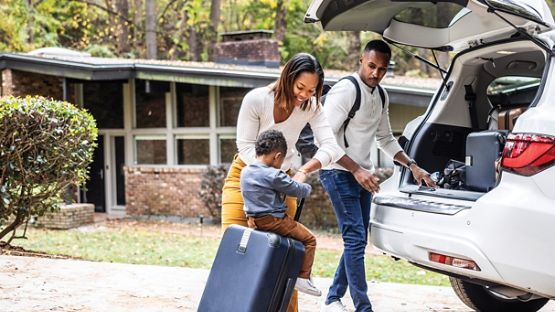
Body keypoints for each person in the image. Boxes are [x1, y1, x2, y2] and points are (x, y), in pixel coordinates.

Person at [221, 52, 347, 312]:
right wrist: (266, 175)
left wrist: (304, 171)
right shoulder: (256, 99)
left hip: (282, 182)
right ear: (288, 76)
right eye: (301, 87)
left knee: (285, 259)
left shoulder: (311, 106)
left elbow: (331, 147)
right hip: (245, 178)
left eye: (312, 90)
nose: (304, 95)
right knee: (235, 254)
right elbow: (245, 145)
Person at [318, 40, 436, 312]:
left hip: (362, 174)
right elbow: (324, 140)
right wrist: (356, 169)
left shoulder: (381, 95)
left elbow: (385, 139)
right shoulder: (346, 91)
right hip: (337, 172)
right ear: (361, 60)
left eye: (382, 69)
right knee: (356, 238)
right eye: (371, 66)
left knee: (356, 239)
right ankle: (362, 307)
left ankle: (333, 298)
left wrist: (413, 166)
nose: (375, 73)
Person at [241, 129, 320, 296]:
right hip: (273, 221)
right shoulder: (274, 174)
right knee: (309, 240)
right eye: (281, 159)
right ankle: (303, 278)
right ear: (277, 156)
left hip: (253, 221)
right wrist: (307, 186)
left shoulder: (246, 171)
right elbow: (297, 190)